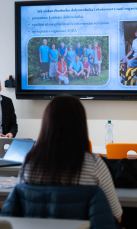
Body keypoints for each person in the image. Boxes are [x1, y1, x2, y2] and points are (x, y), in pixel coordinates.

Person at [18, 94, 123, 223]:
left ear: (46, 124)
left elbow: (21, 212)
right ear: (80, 125)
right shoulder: (93, 164)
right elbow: (116, 216)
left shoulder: (30, 164)